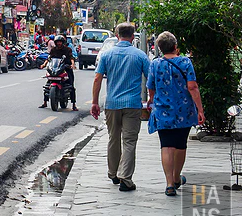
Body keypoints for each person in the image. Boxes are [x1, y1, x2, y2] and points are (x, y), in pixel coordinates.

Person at [91, 22, 151, 192]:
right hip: (132, 104)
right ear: (133, 37)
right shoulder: (140, 56)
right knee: (129, 141)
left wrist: (95, 102)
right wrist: (152, 98)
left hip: (112, 104)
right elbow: (150, 79)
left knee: (113, 138)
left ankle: (113, 173)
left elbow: (97, 79)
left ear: (117, 36)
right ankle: (126, 177)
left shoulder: (107, 55)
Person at [146, 31, 205, 196]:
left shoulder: (155, 64)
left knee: (166, 145)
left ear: (160, 48)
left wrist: (151, 99)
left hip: (162, 110)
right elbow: (192, 87)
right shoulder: (185, 62)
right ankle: (177, 177)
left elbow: (151, 86)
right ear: (175, 46)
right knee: (180, 145)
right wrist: (200, 109)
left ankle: (169, 184)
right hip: (184, 111)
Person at [38, 35, 78, 111]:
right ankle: (45, 102)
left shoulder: (67, 49)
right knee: (47, 84)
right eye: (57, 42)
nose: (59, 43)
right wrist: (44, 64)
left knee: (71, 86)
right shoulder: (53, 50)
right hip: (55, 69)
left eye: (60, 42)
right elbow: (49, 58)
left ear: (63, 42)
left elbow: (71, 57)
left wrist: (72, 64)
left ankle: (74, 104)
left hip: (66, 69)